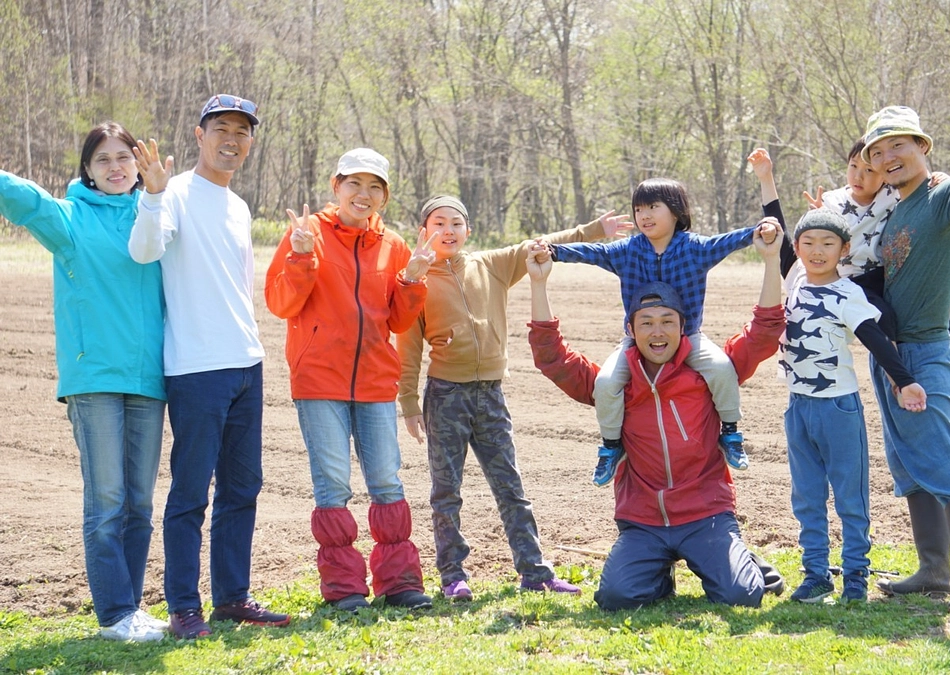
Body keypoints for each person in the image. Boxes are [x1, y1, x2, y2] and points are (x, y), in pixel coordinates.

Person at [527, 218, 786, 610]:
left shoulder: (709, 371)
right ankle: (656, 572)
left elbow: (764, 333)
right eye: (646, 323)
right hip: (644, 520)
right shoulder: (616, 382)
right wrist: (539, 284)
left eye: (667, 321)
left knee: (740, 596)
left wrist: (770, 261)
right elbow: (553, 359)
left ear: (684, 327)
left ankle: (742, 562)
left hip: (705, 514)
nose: (657, 331)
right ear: (630, 328)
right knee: (616, 597)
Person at [396, 196, 632, 601]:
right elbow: (409, 345)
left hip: (490, 395)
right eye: (438, 224)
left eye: (456, 223)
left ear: (468, 230)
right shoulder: (417, 277)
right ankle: (453, 575)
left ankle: (535, 572)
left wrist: (594, 231)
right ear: (424, 232)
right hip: (445, 396)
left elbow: (539, 245)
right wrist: (409, 402)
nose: (448, 231)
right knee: (446, 491)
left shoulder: (491, 265)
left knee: (511, 487)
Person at [129, 94, 290, 638]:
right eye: (221, 128)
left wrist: (253, 345)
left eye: (242, 132)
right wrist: (151, 195)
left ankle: (232, 598)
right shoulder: (172, 194)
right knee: (191, 491)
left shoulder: (239, 206)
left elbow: (241, 286)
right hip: (196, 368)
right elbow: (145, 252)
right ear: (199, 135)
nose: (232, 139)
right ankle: (183, 607)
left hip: (247, 363)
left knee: (244, 486)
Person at [0, 123, 167, 642]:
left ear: (139, 163)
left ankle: (130, 609)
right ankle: (115, 614)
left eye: (124, 157)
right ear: (87, 171)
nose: (116, 167)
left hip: (149, 379)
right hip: (94, 377)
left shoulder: (157, 216)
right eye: (103, 160)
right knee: (108, 499)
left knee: (139, 502)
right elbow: (27, 202)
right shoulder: (71, 220)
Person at [860, 62, 950, 614]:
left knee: (946, 462)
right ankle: (932, 571)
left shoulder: (942, 198)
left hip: (927, 352)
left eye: (897, 145)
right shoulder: (895, 212)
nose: (887, 157)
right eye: (877, 151)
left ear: (922, 146)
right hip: (891, 359)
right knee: (910, 465)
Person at [264, 148, 436, 612]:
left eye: (374, 186)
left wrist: (412, 280)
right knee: (333, 485)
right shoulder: (308, 234)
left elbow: (398, 323)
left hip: (377, 383)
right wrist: (301, 257)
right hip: (319, 382)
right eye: (354, 184)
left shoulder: (394, 245)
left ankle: (400, 583)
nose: (364, 194)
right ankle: (344, 589)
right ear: (335, 185)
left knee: (386, 481)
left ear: (385, 195)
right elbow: (281, 303)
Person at [749, 144, 950, 417]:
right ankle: (899, 381)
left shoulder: (892, 193)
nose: (859, 177)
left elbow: (920, 187)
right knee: (881, 318)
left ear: (884, 175)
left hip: (886, 274)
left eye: (870, 170)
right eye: (853, 168)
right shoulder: (833, 203)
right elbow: (785, 240)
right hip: (852, 281)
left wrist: (938, 176)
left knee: (946, 319)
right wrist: (768, 180)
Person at [550, 179, 761, 483]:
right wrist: (555, 252)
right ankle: (611, 446)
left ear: (676, 212)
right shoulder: (628, 250)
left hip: (688, 338)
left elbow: (727, 241)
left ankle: (730, 433)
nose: (644, 215)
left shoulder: (694, 249)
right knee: (607, 383)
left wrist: (757, 232)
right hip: (637, 341)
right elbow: (592, 252)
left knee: (721, 369)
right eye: (638, 209)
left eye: (653, 207)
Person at [776, 208, 927, 605]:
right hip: (798, 406)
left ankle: (856, 574)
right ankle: (815, 574)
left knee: (849, 496)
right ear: (797, 248)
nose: (818, 251)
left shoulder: (848, 293)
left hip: (838, 408)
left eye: (828, 243)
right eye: (808, 243)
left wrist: (904, 379)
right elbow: (777, 232)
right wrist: (766, 181)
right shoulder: (793, 280)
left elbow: (874, 337)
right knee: (806, 496)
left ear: (844, 250)